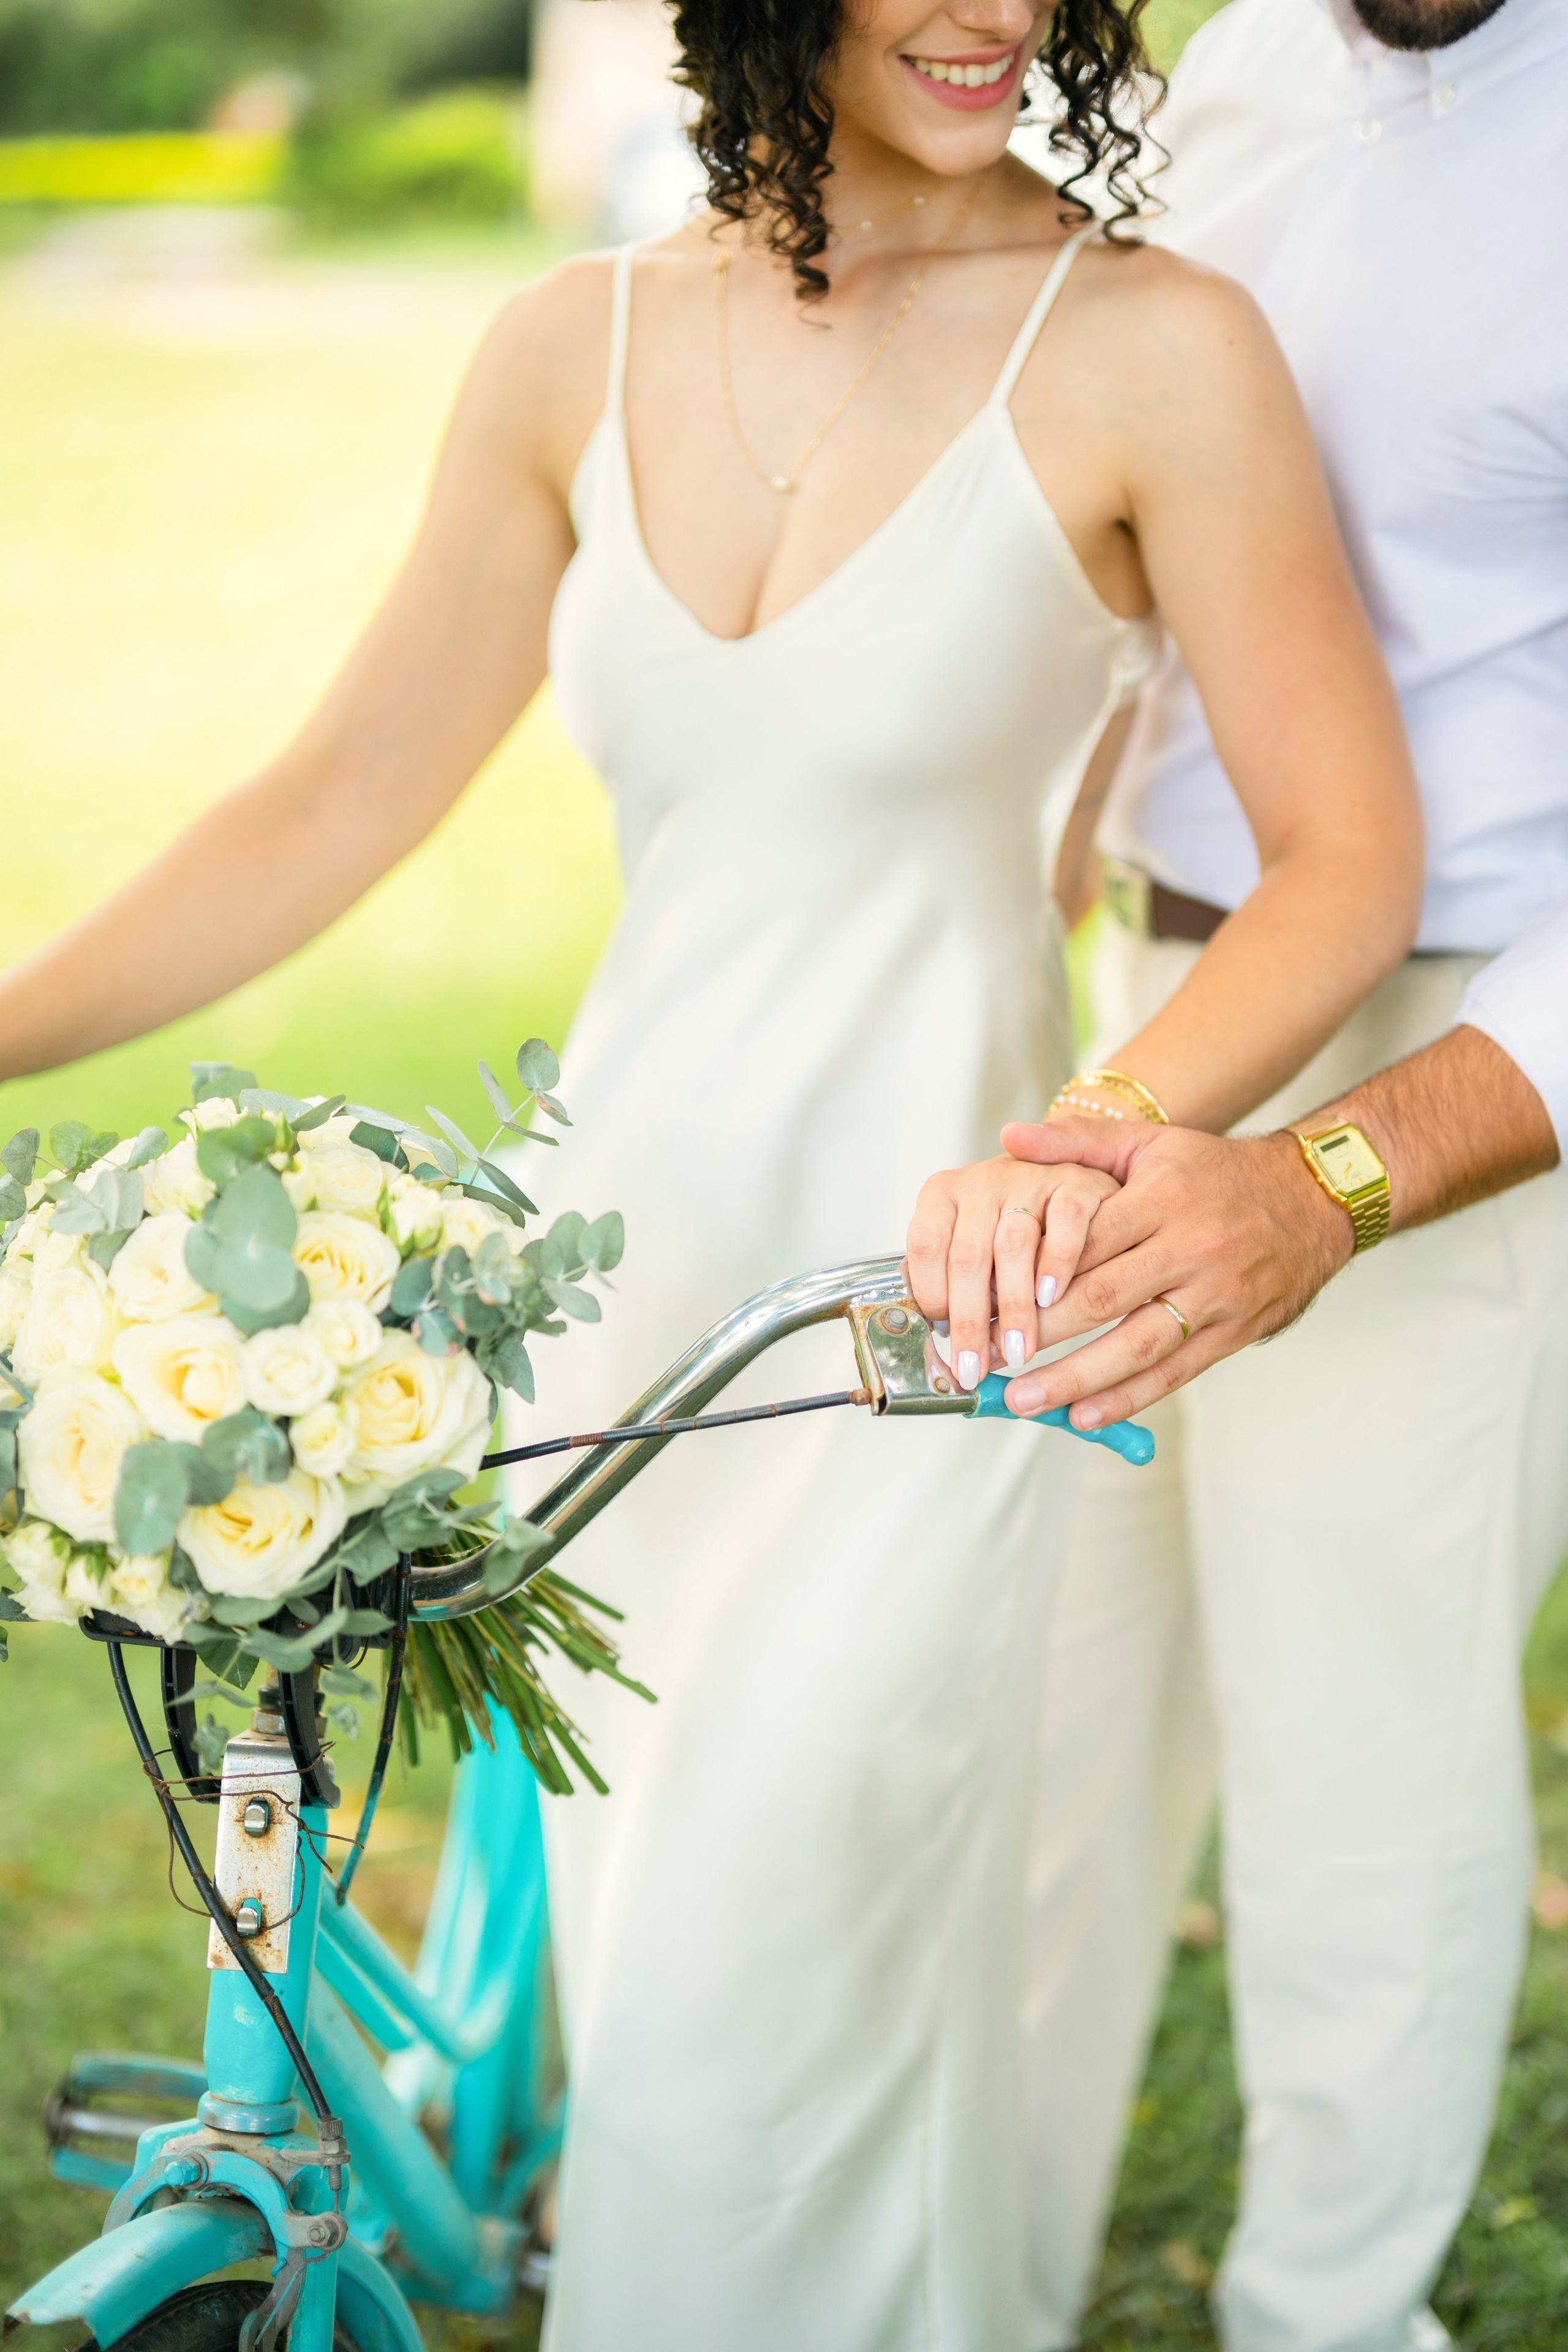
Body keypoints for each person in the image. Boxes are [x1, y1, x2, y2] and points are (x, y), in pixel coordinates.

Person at [0, 2, 1426, 2343]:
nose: (997, 12)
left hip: (930, 1299)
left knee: (750, 2009)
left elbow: (1345, 857)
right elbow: (330, 804)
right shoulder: (572, 342)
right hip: (595, 1286)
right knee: (655, 1949)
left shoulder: (1156, 345)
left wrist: (1098, 1141)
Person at [908, 1, 1568, 2345]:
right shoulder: (1234, 76)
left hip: (1464, 1066)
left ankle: (1327, 2322)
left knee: (1356, 1771)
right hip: (1165, 1024)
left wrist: (1334, 1182)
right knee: (1050, 1709)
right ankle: (968, 2288)